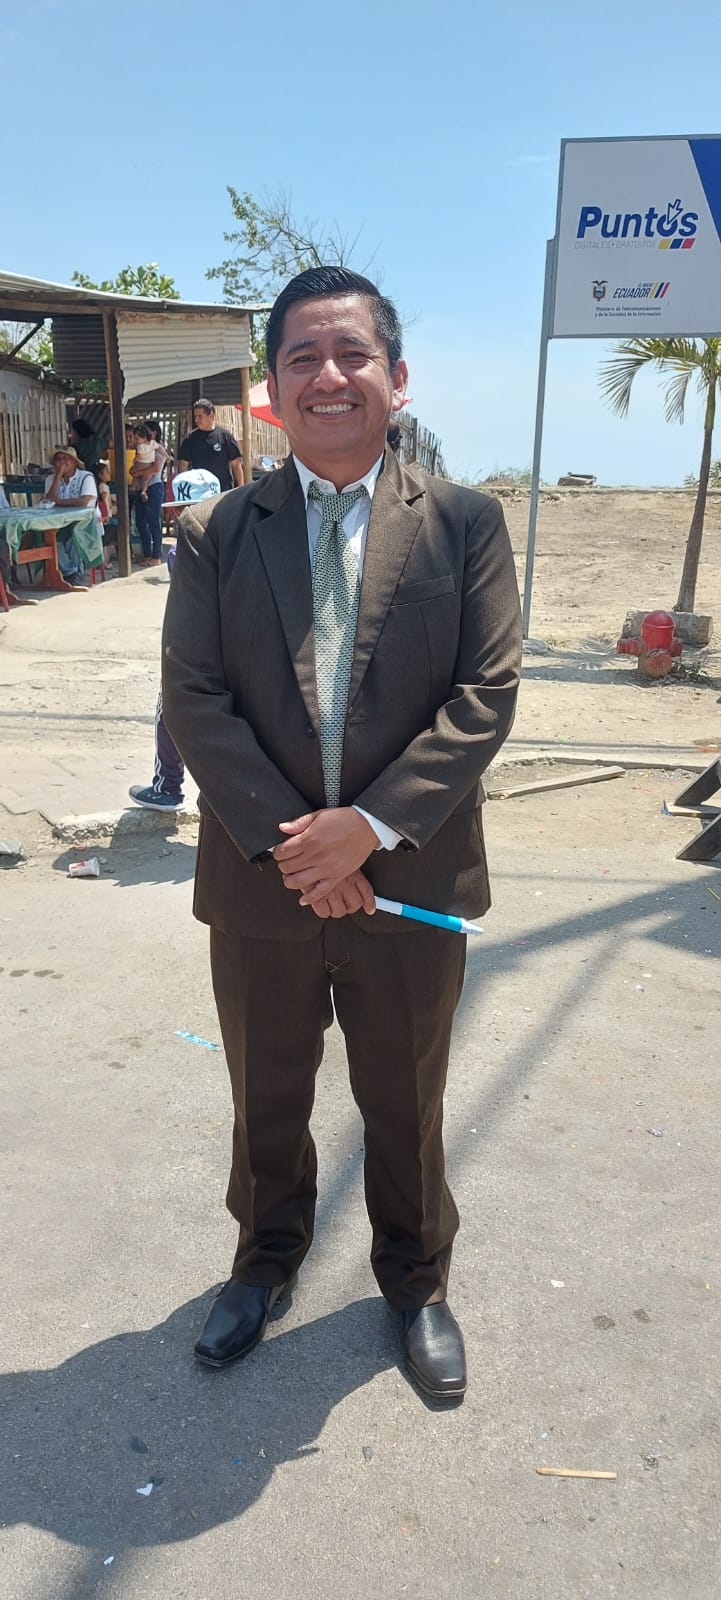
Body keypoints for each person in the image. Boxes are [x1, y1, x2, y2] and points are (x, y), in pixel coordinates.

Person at [162, 266, 522, 1402]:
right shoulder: (217, 532)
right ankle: (263, 1261)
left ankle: (415, 1280)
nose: (329, 375)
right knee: (266, 1096)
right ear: (271, 391)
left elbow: (484, 695)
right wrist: (302, 849)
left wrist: (365, 829)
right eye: (302, 357)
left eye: (352, 353)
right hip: (262, 883)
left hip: (410, 879)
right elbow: (195, 698)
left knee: (405, 1101)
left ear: (395, 378)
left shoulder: (463, 523)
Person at [42, 446, 100, 587]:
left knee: (75, 536)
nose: (62, 462)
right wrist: (58, 475)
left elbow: (83, 502)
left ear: (74, 462)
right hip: (59, 522)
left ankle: (76, 572)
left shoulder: (86, 477)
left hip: (86, 522)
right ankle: (71, 572)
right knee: (50, 539)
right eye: (59, 459)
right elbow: (49, 499)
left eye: (66, 458)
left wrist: (58, 502)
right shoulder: (50, 479)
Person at [177, 400, 243, 492]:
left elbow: (236, 465)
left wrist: (241, 490)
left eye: (200, 416)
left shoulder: (225, 436)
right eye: (195, 416)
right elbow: (183, 466)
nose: (196, 420)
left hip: (223, 492)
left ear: (211, 415)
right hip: (199, 492)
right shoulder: (190, 439)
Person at [130, 425, 166, 567]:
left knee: (153, 522)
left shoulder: (158, 449)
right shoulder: (142, 447)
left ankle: (156, 556)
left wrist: (138, 472)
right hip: (140, 487)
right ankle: (147, 554)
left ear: (153, 433)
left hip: (154, 487)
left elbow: (155, 469)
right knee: (140, 522)